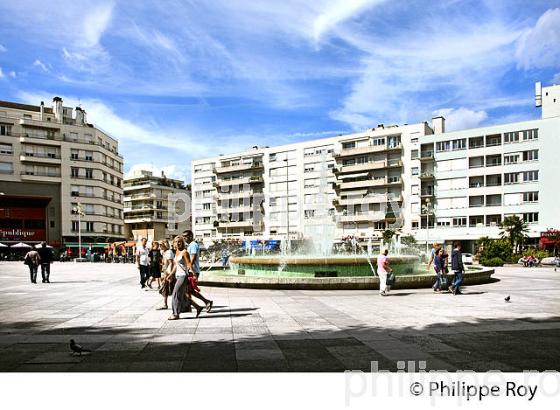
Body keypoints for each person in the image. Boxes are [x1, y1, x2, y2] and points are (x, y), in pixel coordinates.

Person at [168, 236, 203, 320]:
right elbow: (176, 266)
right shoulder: (176, 252)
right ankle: (198, 307)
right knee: (182, 295)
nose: (178, 243)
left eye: (179, 241)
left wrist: (194, 274)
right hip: (178, 276)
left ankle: (175, 314)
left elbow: (189, 264)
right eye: (176, 242)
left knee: (175, 294)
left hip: (183, 276)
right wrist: (170, 274)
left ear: (182, 242)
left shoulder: (184, 252)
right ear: (174, 243)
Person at [184, 230, 213, 312]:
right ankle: (188, 306)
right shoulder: (190, 245)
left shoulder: (193, 245)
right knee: (188, 290)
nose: (184, 238)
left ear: (190, 236)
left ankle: (207, 302)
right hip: (191, 270)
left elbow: (193, 257)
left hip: (192, 270)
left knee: (190, 290)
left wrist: (189, 268)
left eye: (185, 236)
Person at [157, 240, 175, 310]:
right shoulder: (164, 252)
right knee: (165, 288)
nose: (160, 246)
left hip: (168, 272)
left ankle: (184, 303)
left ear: (165, 245)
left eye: (161, 244)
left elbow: (171, 263)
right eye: (159, 245)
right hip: (165, 272)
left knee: (171, 288)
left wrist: (169, 274)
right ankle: (165, 304)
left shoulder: (169, 252)